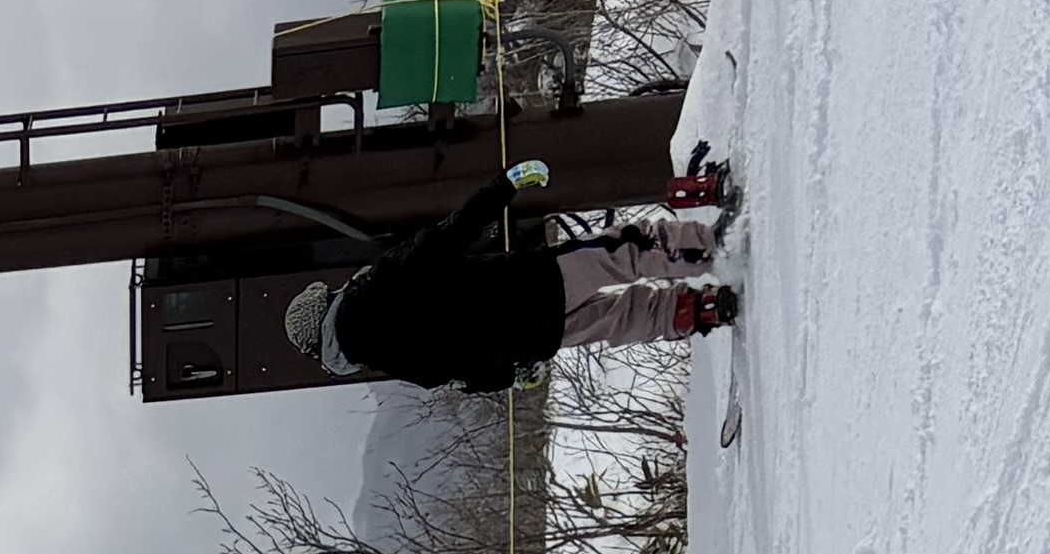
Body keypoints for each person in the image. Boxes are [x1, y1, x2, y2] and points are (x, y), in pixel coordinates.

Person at [293, 157, 735, 395]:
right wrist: (503, 187)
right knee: (620, 250)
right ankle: (712, 246)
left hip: (531, 340)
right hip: (529, 285)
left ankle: (699, 310)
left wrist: (514, 372)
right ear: (328, 301)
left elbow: (461, 375)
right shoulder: (379, 286)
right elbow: (447, 237)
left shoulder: (391, 362)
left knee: (620, 318)